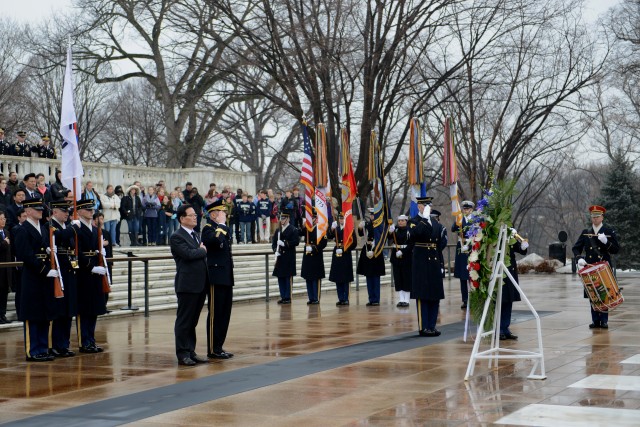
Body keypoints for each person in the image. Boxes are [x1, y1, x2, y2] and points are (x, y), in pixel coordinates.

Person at [13, 197, 56, 361]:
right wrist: (45, 269)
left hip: (44, 276)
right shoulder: (22, 229)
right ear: (28, 211)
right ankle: (33, 350)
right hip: (32, 276)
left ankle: (43, 348)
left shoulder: (43, 229)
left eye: (41, 209)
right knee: (32, 314)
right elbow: (26, 254)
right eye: (37, 209)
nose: (40, 211)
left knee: (44, 312)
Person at [169, 204, 209, 366]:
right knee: (184, 320)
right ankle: (182, 353)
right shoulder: (177, 236)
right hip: (187, 284)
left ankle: (191, 350)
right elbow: (188, 254)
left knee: (193, 320)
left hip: (200, 283)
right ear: (182, 219)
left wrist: (200, 250)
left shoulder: (196, 235)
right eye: (191, 215)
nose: (195, 217)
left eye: (195, 214)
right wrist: (202, 251)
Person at [572, 205, 620, 330]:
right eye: (593, 217)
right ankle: (595, 320)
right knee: (593, 292)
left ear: (602, 217)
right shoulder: (586, 232)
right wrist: (579, 258)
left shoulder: (608, 232)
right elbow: (576, 248)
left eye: (597, 217)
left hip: (603, 266)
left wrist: (606, 242)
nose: (595, 219)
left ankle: (604, 320)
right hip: (590, 267)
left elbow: (616, 249)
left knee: (604, 293)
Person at [201, 200, 235, 359]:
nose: (225, 215)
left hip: (226, 275)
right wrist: (221, 226)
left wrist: (222, 227)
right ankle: (213, 349)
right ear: (214, 214)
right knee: (215, 313)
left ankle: (219, 346)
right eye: (222, 213)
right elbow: (215, 241)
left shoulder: (223, 229)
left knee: (225, 313)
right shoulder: (208, 229)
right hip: (215, 276)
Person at [74, 198, 108, 353]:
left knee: (94, 308)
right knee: (84, 309)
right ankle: (84, 341)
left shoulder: (95, 229)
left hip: (96, 271)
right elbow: (77, 252)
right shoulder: (76, 228)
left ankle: (91, 340)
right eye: (87, 210)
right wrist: (91, 266)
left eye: (92, 209)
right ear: (79, 211)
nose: (91, 212)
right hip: (83, 272)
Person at [409, 200, 446, 337]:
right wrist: (424, 220)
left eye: (429, 206)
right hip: (421, 262)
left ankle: (432, 325)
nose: (427, 208)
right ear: (419, 206)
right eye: (425, 206)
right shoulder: (414, 221)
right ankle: (424, 326)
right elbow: (414, 236)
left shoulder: (435, 223)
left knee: (434, 295)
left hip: (434, 261)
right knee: (423, 296)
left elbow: (439, 243)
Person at [48, 200, 78, 357]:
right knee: (58, 311)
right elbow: (58, 237)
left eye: (68, 211)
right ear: (55, 212)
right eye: (63, 211)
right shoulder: (51, 225)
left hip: (69, 271)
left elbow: (72, 248)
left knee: (68, 310)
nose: (67, 214)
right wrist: (74, 228)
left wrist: (76, 267)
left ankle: (64, 344)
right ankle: (54, 344)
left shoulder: (67, 226)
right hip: (58, 271)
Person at [500, 229, 529, 340]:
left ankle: (506, 328)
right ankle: (499, 329)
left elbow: (519, 249)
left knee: (509, 299)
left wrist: (523, 246)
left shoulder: (509, 233)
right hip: (499, 268)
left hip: (510, 269)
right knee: (500, 300)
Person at [356, 208, 385, 306]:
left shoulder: (380, 225)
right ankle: (371, 298)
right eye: (371, 215)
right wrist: (360, 227)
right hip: (367, 249)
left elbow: (382, 237)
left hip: (376, 250)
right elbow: (361, 234)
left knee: (376, 277)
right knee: (368, 276)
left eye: (373, 215)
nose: (372, 216)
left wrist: (375, 246)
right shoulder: (367, 224)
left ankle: (376, 299)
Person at [300, 211, 327, 304]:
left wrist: (314, 248)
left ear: (317, 219)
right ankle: (311, 297)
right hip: (308, 257)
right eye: (311, 218)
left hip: (316, 256)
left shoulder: (321, 229)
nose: (312, 220)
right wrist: (303, 225)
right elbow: (300, 233)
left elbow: (324, 243)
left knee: (315, 278)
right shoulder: (308, 228)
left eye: (313, 218)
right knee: (308, 278)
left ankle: (316, 298)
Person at [271, 210, 299, 304]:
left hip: (288, 257)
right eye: (281, 218)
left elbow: (296, 242)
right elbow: (274, 243)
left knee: (287, 278)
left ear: (288, 219)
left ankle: (288, 297)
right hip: (280, 258)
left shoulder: (293, 229)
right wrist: (275, 250)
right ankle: (283, 296)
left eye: (284, 218)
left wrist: (285, 244)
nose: (282, 220)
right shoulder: (278, 230)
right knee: (280, 278)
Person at [452, 200, 474, 309]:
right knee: (462, 276)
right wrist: (457, 222)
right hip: (461, 246)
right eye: (464, 209)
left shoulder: (475, 220)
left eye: (467, 209)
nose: (465, 210)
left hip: (472, 247)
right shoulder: (460, 219)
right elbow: (453, 229)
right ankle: (465, 300)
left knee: (472, 274)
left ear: (471, 209)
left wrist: (469, 246)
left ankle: (474, 298)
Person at [329, 213, 356, 305]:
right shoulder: (336, 228)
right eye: (340, 218)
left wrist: (344, 250)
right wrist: (332, 229)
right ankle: (340, 298)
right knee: (338, 277)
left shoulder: (349, 229)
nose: (341, 220)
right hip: (337, 253)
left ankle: (346, 298)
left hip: (345, 255)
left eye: (342, 218)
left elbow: (354, 243)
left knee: (345, 278)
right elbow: (329, 236)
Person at [389, 214, 413, 308]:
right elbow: (390, 239)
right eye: (399, 221)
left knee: (406, 278)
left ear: (406, 221)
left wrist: (403, 252)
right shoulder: (395, 230)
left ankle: (406, 299)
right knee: (398, 278)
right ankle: (401, 299)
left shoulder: (409, 231)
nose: (400, 222)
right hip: (396, 256)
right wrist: (390, 232)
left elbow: (411, 244)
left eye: (402, 221)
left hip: (406, 256)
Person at [0, 211, 12, 324]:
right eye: (1, 219)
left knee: (4, 293)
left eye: (4, 219)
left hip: (6, 269)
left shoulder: (6, 232)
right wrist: (4, 243)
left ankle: (2, 315)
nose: (3, 221)